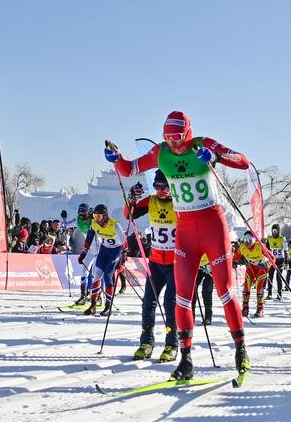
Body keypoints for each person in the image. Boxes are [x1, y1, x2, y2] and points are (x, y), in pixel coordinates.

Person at [107, 110, 252, 380]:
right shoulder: (160, 153)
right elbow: (128, 169)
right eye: (167, 137)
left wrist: (217, 156)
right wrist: (117, 159)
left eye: (177, 136)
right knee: (182, 298)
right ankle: (185, 359)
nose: (173, 142)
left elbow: (244, 162)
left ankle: (240, 349)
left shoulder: (202, 144)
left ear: (186, 133)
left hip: (212, 225)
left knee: (225, 291)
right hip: (185, 230)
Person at [125, 171, 178, 363]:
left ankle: (172, 344)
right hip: (155, 262)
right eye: (157, 187)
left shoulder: (180, 203)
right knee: (148, 304)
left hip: (174, 264)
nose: (160, 191)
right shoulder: (151, 201)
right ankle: (146, 343)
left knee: (170, 305)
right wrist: (131, 198)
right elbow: (129, 215)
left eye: (164, 187)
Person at [76, 204, 126, 316]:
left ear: (105, 216)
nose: (97, 219)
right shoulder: (94, 223)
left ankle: (108, 306)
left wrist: (122, 262)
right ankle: (93, 305)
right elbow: (88, 239)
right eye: (95, 216)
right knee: (96, 275)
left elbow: (125, 244)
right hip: (104, 250)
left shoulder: (115, 225)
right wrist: (83, 253)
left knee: (108, 276)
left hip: (115, 251)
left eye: (99, 216)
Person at [234, 231, 269, 318]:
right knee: (246, 287)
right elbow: (236, 257)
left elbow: (272, 258)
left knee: (259, 287)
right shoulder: (242, 247)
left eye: (249, 240)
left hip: (262, 268)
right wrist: (234, 262)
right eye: (245, 240)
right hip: (251, 268)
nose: (247, 242)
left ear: (254, 240)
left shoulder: (260, 246)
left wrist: (266, 264)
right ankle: (245, 308)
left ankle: (260, 309)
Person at [265, 224, 288, 300]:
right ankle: (269, 294)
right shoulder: (269, 239)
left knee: (279, 278)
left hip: (280, 261)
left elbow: (285, 251)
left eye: (276, 231)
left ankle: (279, 294)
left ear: (278, 231)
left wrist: (286, 262)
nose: (274, 232)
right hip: (272, 260)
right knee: (270, 277)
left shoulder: (282, 239)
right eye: (273, 231)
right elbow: (266, 250)